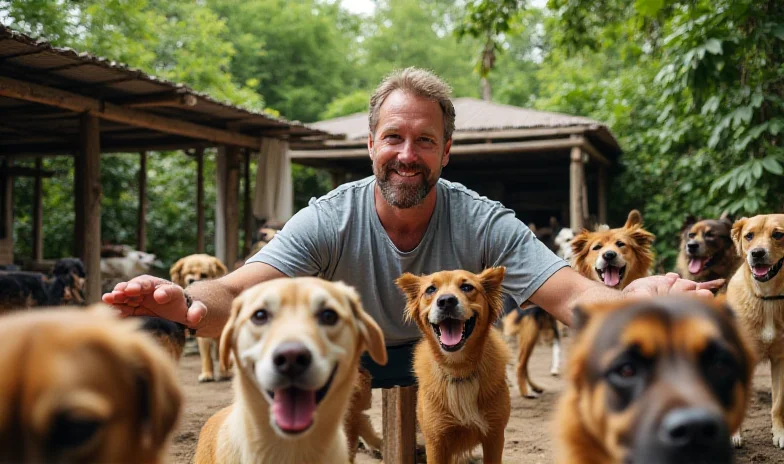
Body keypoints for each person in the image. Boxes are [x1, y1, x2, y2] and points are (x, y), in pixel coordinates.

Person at [104, 67, 720, 386]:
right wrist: (184, 301)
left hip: (448, 358)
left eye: (424, 140)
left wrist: (637, 303)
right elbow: (237, 292)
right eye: (393, 137)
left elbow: (575, 297)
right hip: (351, 360)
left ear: (445, 151)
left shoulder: (482, 219)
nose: (407, 153)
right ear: (371, 144)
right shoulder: (329, 217)